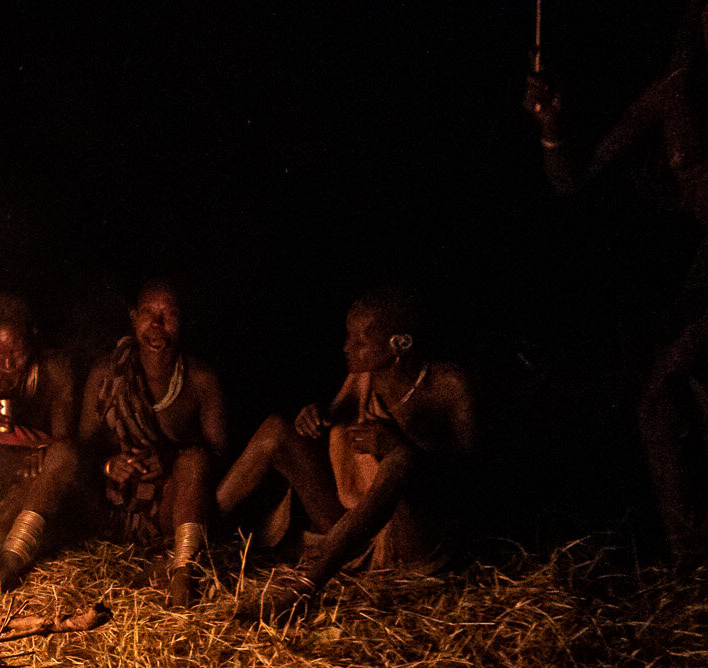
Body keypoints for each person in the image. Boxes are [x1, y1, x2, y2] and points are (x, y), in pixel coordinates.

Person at [527, 7, 708, 563]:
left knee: (668, 388)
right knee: (662, 397)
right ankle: (688, 566)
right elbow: (573, 179)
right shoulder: (674, 93)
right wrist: (552, 127)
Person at [215, 289, 476, 613]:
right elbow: (332, 421)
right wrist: (313, 418)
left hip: (412, 541)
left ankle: (302, 591)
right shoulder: (362, 376)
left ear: (400, 344)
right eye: (348, 336)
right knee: (277, 430)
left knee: (403, 459)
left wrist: (396, 446)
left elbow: (470, 480)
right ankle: (196, 535)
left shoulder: (448, 384)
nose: (346, 347)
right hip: (356, 531)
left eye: (359, 341)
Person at [78, 279, 228, 607]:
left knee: (194, 461)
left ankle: (183, 574)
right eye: (148, 314)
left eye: (168, 315)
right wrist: (109, 465)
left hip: (172, 507)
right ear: (133, 319)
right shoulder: (107, 373)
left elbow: (221, 459)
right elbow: (81, 451)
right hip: (116, 512)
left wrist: (173, 457)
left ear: (182, 321)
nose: (157, 326)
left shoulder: (200, 379)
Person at [0, 293, 82, 588]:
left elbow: (64, 442)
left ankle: (9, 559)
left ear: (32, 335)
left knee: (61, 460)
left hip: (25, 488)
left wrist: (42, 453)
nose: (8, 362)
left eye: (17, 350)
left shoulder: (55, 371)